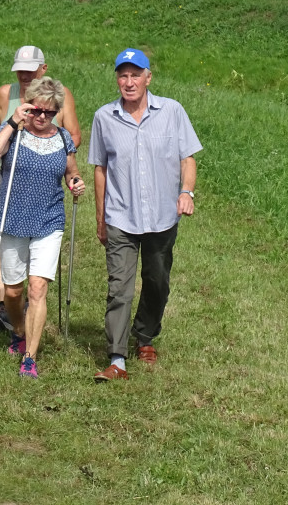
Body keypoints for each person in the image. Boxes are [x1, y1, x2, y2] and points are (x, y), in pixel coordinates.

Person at [88, 48, 201, 382]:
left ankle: (146, 335)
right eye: (123, 75)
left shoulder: (171, 111)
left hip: (162, 218)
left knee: (157, 281)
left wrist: (186, 192)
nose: (129, 81)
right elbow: (100, 170)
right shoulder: (104, 117)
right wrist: (101, 220)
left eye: (135, 74)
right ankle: (117, 358)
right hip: (120, 218)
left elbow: (188, 158)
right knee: (119, 288)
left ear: (148, 77)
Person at [0, 77, 85, 378]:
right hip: (13, 219)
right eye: (37, 111)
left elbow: (71, 172)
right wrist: (14, 122)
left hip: (49, 221)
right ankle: (17, 329)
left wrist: (75, 183)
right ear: (28, 106)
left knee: (38, 288)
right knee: (14, 292)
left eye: (49, 113)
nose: (42, 118)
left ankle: (30, 357)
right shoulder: (13, 132)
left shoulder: (63, 138)